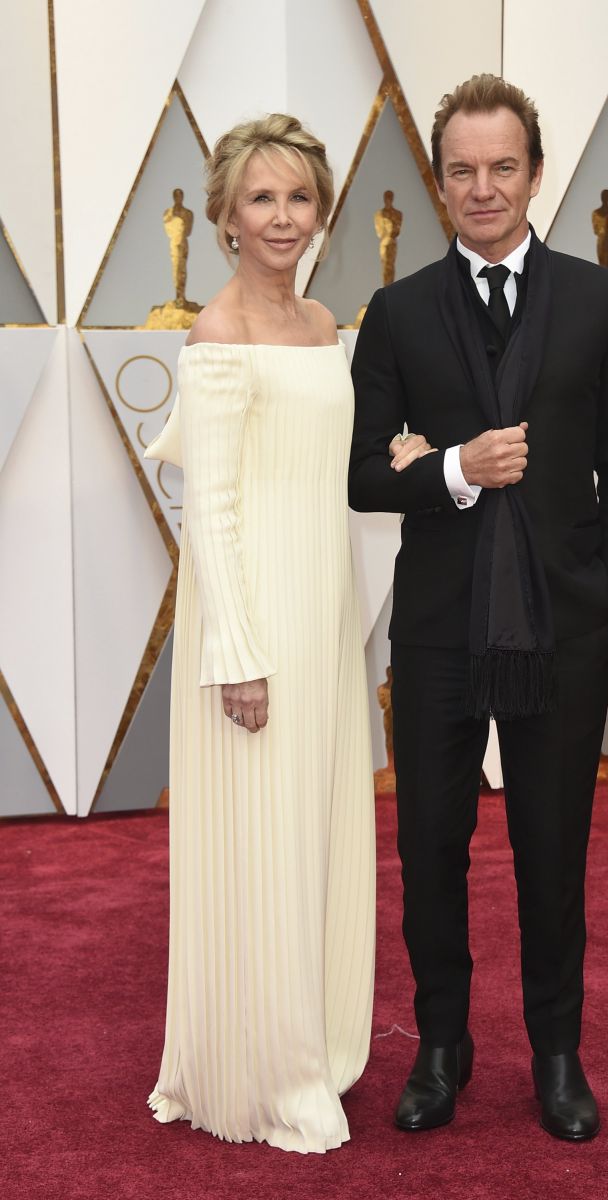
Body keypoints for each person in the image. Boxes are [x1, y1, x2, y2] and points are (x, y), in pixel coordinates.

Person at [349, 75, 608, 1141]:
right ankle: (442, 1046)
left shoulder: (600, 300)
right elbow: (363, 475)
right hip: (437, 625)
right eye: (463, 170)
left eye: (503, 166)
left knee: (551, 846)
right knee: (431, 842)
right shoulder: (394, 312)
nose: (484, 188)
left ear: (534, 172)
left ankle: (556, 1053)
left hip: (564, 627)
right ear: (438, 182)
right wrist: (456, 471)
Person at [144, 114, 376, 1154]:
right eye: (261, 199)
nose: (281, 217)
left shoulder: (324, 323)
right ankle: (270, 1076)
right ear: (228, 214)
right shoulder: (219, 333)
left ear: (318, 209)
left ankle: (317, 1044)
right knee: (266, 841)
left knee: (319, 832)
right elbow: (215, 511)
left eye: (297, 198)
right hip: (255, 628)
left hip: (322, 615)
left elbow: (322, 467)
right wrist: (236, 657)